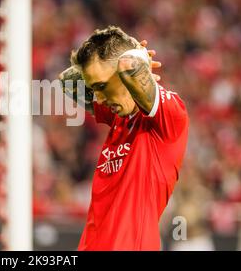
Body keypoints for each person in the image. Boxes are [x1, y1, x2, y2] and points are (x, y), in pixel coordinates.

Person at [59, 26, 189, 250]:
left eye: (101, 87)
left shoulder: (168, 118)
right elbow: (67, 81)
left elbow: (129, 64)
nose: (97, 98)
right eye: (94, 89)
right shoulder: (119, 117)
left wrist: (136, 57)